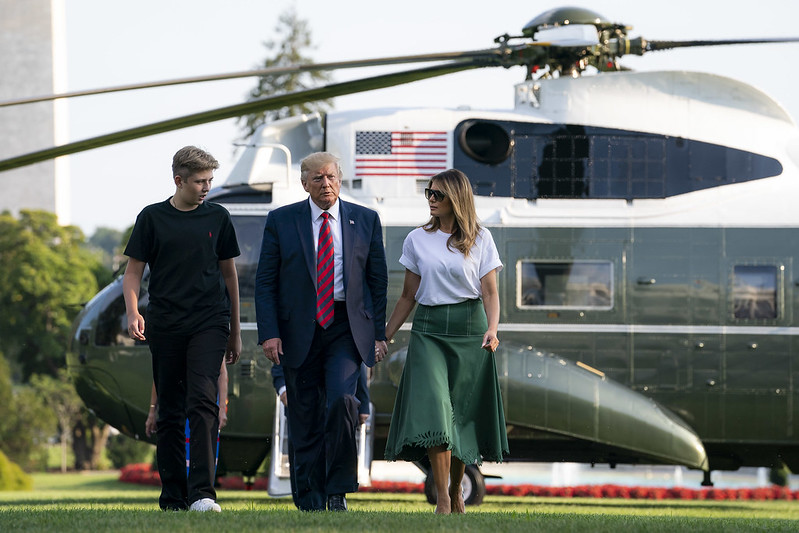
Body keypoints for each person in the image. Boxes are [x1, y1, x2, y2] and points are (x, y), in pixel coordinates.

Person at [255, 151, 388, 512]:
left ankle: (337, 490)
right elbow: (265, 282)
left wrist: (379, 334)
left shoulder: (366, 219)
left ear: (339, 178)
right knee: (304, 414)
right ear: (304, 183)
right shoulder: (281, 221)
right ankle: (309, 498)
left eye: (330, 176)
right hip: (299, 330)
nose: (325, 184)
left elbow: (378, 281)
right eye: (317, 178)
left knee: (343, 402)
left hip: (346, 328)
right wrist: (269, 333)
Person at [382, 169, 509, 515]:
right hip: (428, 330)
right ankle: (441, 498)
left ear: (456, 198)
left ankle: (455, 492)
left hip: (471, 331)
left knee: (459, 419)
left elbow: (490, 292)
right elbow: (408, 296)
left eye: (438, 194)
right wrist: (386, 336)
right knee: (437, 415)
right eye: (429, 193)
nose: (431, 199)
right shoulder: (416, 239)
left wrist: (493, 328)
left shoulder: (481, 238)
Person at [123, 146, 241, 513]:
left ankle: (203, 495)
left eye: (210, 181)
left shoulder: (218, 217)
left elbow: (229, 275)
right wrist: (132, 312)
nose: (207, 187)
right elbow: (133, 272)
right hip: (166, 324)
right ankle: (173, 497)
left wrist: (234, 330)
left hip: (209, 322)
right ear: (179, 180)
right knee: (170, 411)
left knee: (203, 402)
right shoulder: (151, 218)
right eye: (200, 182)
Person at [271, 362, 371, 508]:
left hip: (331, 408)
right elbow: (280, 362)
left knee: (331, 451)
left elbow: (355, 366)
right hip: (300, 403)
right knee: (302, 452)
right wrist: (284, 390)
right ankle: (309, 501)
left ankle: (334, 496)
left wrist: (363, 404)